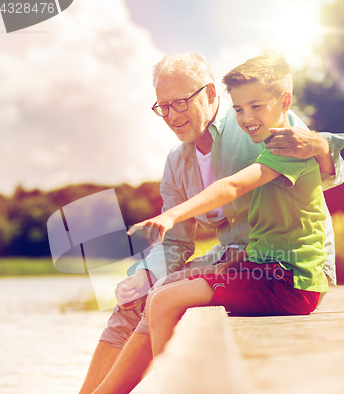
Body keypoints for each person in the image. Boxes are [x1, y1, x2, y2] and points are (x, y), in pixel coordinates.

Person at [15, 52, 344, 394]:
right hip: (233, 259)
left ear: (207, 93)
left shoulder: (253, 122)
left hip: (279, 263)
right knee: (133, 301)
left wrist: (321, 148)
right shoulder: (177, 163)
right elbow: (175, 244)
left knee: (167, 293)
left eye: (179, 104)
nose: (171, 116)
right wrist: (144, 275)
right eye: (163, 107)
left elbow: (319, 157)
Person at [129, 53, 328, 357]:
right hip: (260, 268)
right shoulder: (253, 150)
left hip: (286, 279)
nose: (247, 118)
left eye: (256, 107)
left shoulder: (287, 145)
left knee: (164, 298)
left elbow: (230, 187)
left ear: (285, 103)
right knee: (160, 291)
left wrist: (171, 215)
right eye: (239, 110)